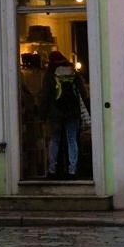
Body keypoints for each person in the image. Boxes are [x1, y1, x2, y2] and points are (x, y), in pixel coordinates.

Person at [39, 50, 88, 179]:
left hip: (55, 114)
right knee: (72, 140)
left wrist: (42, 115)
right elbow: (83, 93)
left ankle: (52, 170)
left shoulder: (50, 75)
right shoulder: (73, 73)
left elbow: (45, 96)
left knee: (55, 140)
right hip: (73, 113)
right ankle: (72, 170)